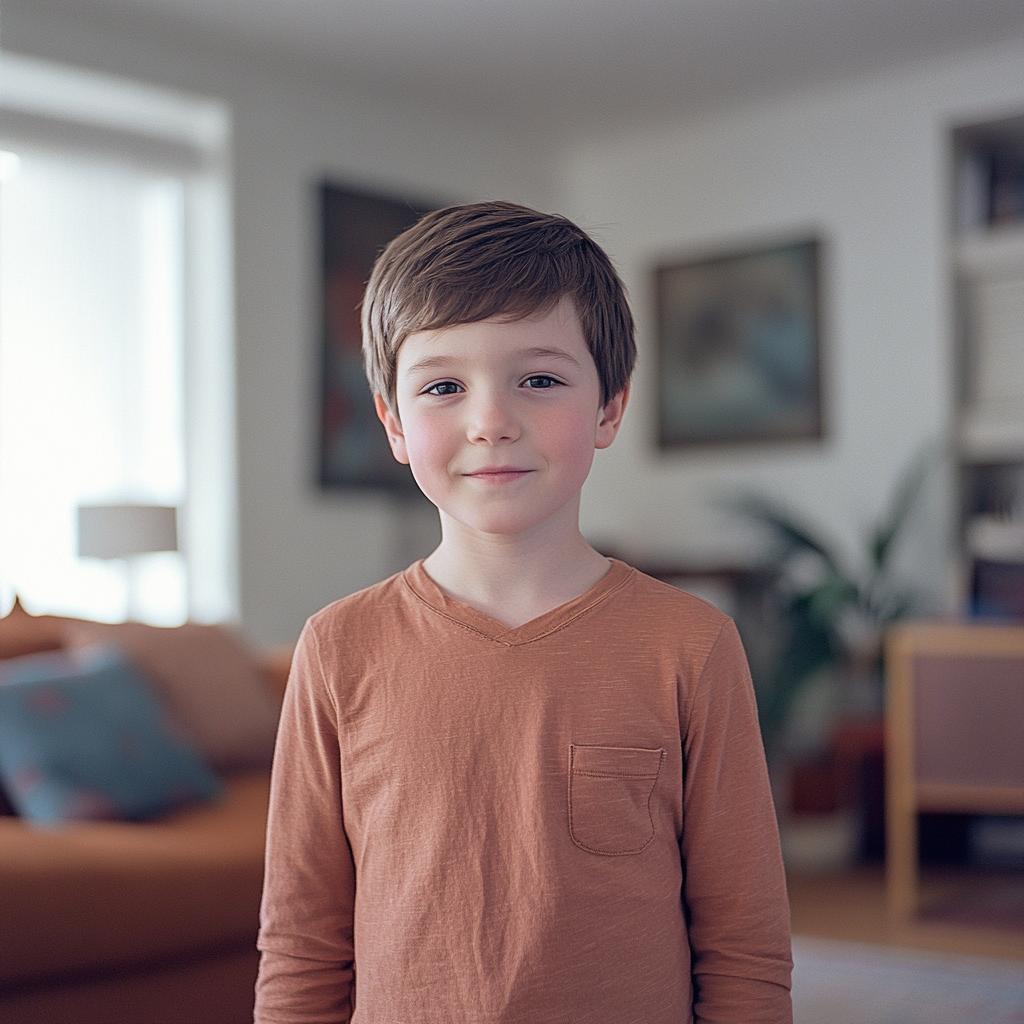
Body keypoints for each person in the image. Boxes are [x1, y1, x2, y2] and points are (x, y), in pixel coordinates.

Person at [254, 201, 793, 1023]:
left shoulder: (691, 645)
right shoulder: (336, 649)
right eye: (443, 386)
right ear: (393, 422)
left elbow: (744, 943)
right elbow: (302, 944)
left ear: (610, 406)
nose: (492, 422)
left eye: (538, 379)